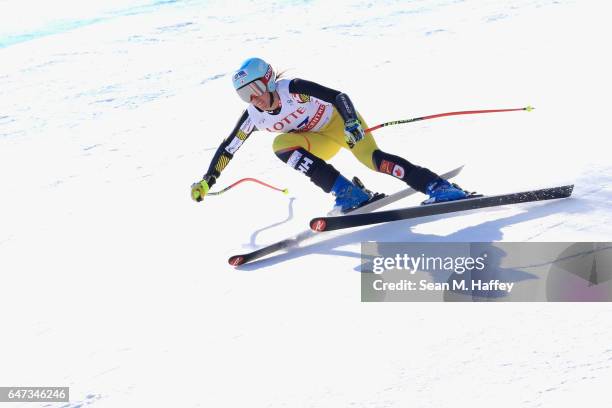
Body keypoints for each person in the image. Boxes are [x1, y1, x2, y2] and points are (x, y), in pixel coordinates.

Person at [191, 57, 468, 213]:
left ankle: (438, 187)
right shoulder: (254, 116)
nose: (253, 99)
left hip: (340, 125)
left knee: (373, 160)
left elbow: (338, 96)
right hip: (317, 141)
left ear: (268, 80)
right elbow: (229, 148)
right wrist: (208, 180)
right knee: (280, 145)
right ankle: (349, 194)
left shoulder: (293, 89)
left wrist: (350, 122)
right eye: (244, 95)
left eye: (254, 90)